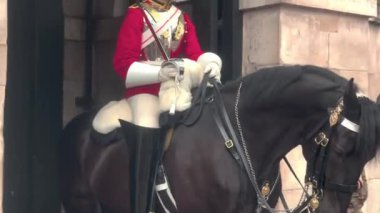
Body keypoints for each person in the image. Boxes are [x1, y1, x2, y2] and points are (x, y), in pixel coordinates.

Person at [112, 0, 222, 212]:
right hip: (144, 91)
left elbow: (195, 54)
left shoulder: (183, 19)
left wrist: (210, 64)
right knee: (147, 124)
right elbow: (123, 63)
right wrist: (159, 73)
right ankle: (142, 204)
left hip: (175, 88)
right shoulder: (137, 15)